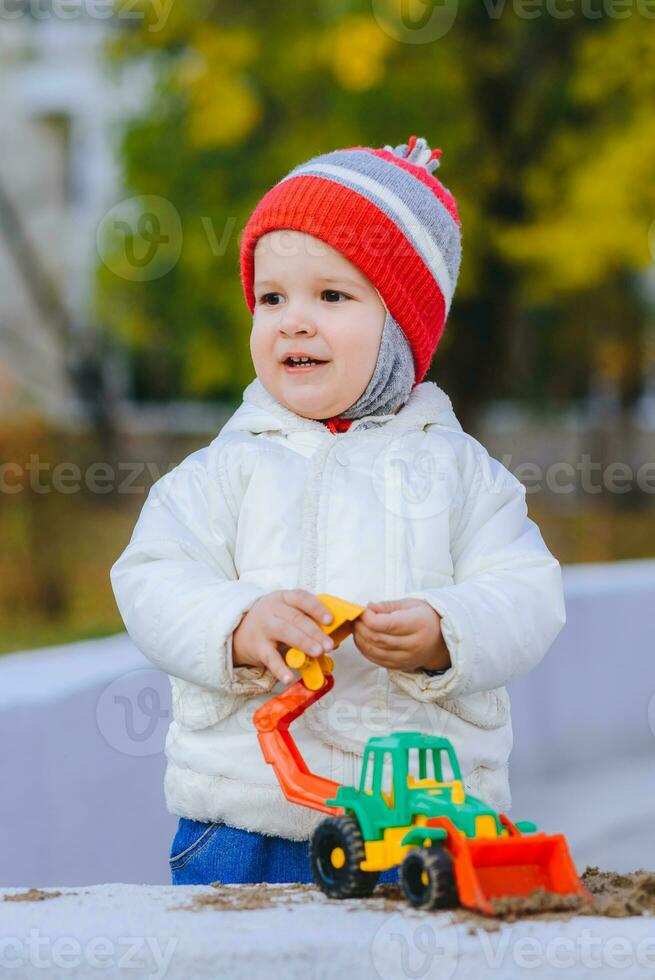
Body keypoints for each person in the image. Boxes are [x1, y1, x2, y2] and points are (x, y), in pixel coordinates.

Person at [110, 135, 566, 886]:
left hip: (421, 821)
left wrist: (446, 634)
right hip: (242, 817)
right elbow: (153, 577)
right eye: (271, 297)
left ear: (401, 329)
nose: (292, 320)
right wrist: (235, 624)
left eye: (331, 296)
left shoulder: (461, 475)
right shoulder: (221, 472)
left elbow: (525, 591)